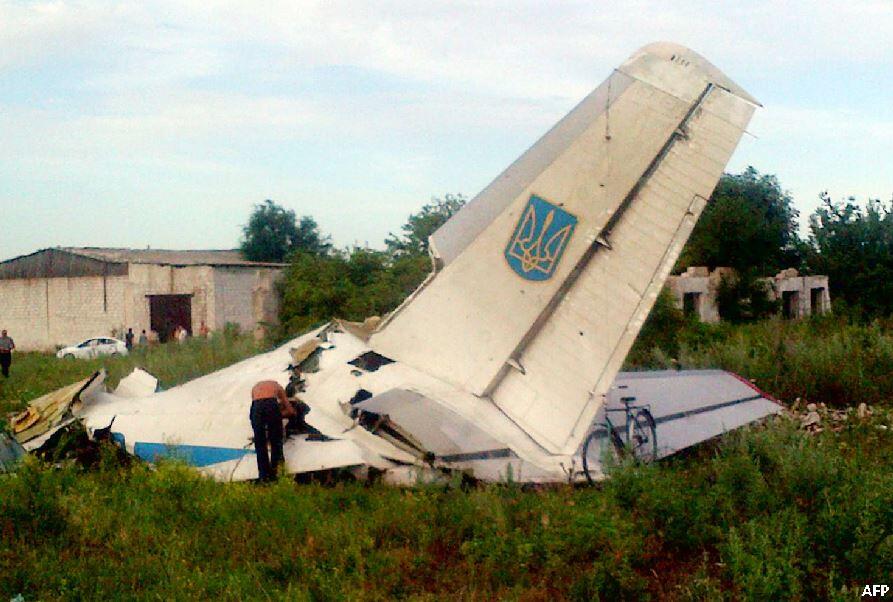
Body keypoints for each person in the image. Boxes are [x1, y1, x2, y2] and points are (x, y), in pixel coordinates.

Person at [250, 380, 296, 481]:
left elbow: (257, 407)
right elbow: (290, 410)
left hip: (256, 406)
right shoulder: (278, 386)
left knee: (260, 443)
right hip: (270, 404)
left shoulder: (255, 387)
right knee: (276, 440)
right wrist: (283, 414)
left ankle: (264, 476)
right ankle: (278, 473)